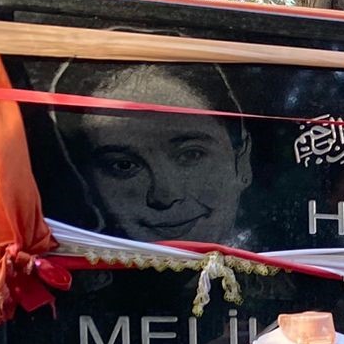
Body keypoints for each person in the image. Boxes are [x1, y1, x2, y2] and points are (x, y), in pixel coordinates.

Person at [50, 60, 256, 248]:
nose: (165, 196)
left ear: (241, 162)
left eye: (191, 155)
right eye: (124, 166)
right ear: (85, 181)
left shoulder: (284, 274)